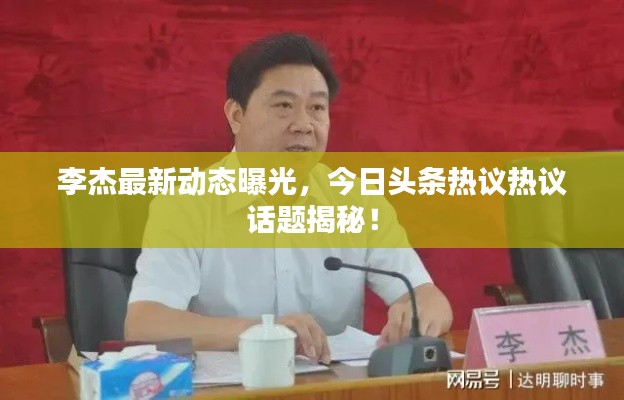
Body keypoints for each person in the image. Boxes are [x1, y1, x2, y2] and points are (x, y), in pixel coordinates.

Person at [124, 33, 453, 365]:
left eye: (317, 108)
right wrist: (262, 332)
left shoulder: (357, 201)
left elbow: (430, 299)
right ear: (236, 116)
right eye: (284, 106)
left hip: (332, 385)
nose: (304, 125)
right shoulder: (186, 204)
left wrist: (419, 313)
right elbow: (145, 324)